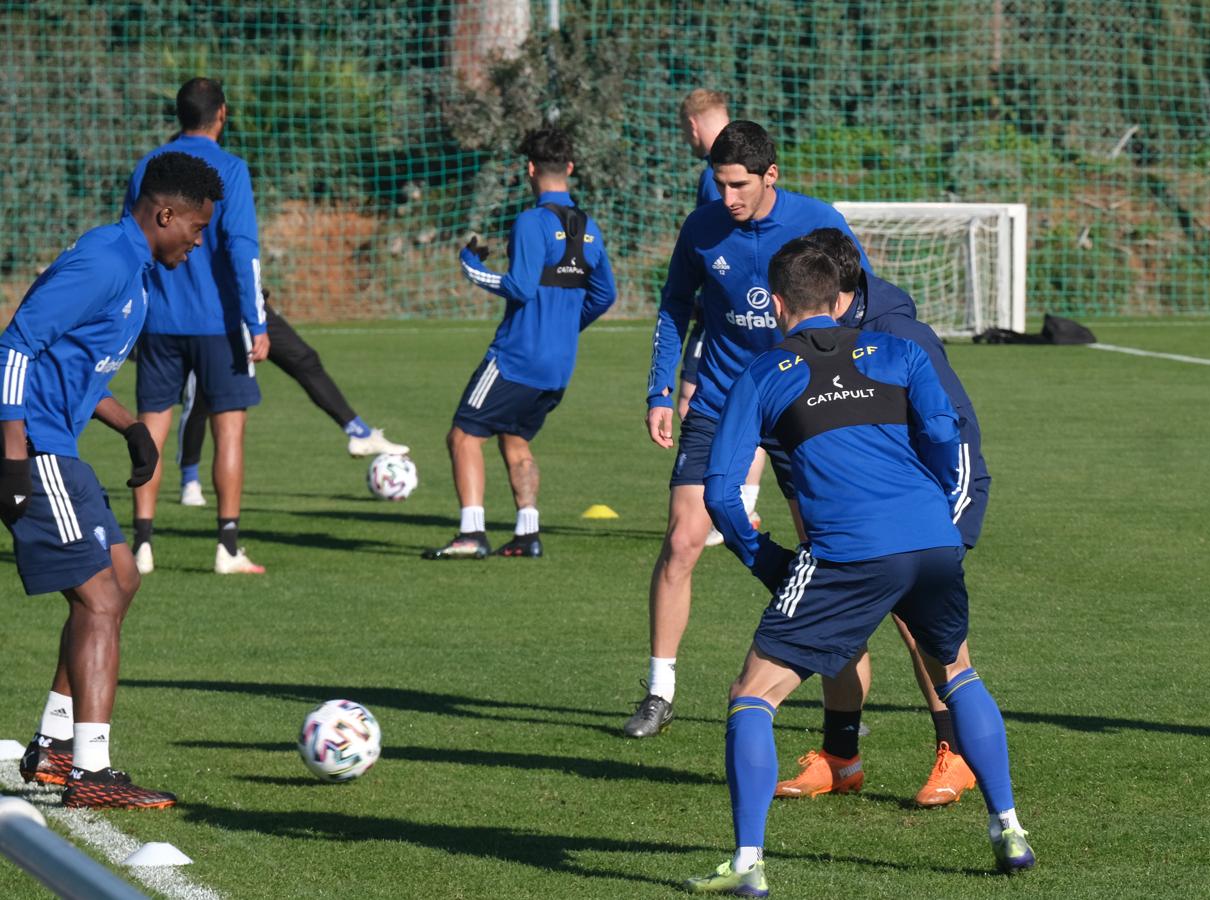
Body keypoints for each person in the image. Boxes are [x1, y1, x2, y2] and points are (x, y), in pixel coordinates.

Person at [684, 240, 1033, 895]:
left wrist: (767, 561)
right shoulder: (901, 352)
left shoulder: (761, 374)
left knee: (751, 696)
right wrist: (945, 532)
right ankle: (1008, 827)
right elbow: (945, 439)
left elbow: (720, 492)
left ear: (779, 305)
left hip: (847, 551)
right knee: (956, 672)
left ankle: (748, 863)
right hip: (930, 541)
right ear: (840, 298)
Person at [624, 120, 872, 737]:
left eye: (739, 185)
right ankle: (659, 691)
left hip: (803, 403)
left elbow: (864, 302)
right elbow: (675, 306)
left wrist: (856, 383)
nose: (727, 197)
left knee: (828, 549)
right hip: (722, 402)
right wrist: (661, 389)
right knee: (683, 538)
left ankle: (841, 707)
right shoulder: (702, 227)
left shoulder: (819, 221)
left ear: (770, 177)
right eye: (719, 182)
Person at [6, 151, 222, 808]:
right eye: (197, 227)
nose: (198, 240)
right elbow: (13, 346)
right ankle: (90, 774)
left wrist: (128, 427)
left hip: (55, 442)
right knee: (99, 598)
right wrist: (13, 456)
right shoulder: (104, 262)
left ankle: (54, 749)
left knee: (120, 580)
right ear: (165, 214)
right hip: (34, 446)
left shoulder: (131, 268)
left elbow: (74, 366)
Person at [770, 227, 991, 807]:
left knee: (929, 635)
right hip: (842, 510)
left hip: (919, 510)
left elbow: (957, 435)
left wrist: (950, 523)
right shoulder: (810, 339)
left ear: (837, 294)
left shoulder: (899, 334)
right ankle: (841, 758)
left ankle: (958, 756)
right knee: (836, 622)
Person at [422, 126, 617, 559]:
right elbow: (605, 295)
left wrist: (470, 266)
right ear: (569, 168)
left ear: (530, 169)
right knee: (514, 437)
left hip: (516, 358)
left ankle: (471, 533)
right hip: (558, 366)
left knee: (463, 436)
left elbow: (521, 287)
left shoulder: (531, 221)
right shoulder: (590, 227)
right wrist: (565, 327)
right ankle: (527, 532)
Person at [124, 77, 269, 575]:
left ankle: (142, 545)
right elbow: (242, 249)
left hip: (158, 322)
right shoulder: (231, 168)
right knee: (229, 433)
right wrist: (258, 322)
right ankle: (227, 548)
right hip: (219, 324)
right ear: (222, 114)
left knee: (151, 430)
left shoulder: (150, 165)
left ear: (179, 113)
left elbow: (132, 244)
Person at [174, 289, 408, 507]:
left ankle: (360, 433)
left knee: (305, 360)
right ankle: (190, 479)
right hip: (210, 312)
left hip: (253, 309)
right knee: (202, 393)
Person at [676, 89, 766, 547]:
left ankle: (729, 508)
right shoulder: (746, 159)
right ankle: (738, 507)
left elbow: (711, 253)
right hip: (745, 312)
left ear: (693, 126)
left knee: (699, 401)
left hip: (725, 315)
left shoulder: (712, 175)